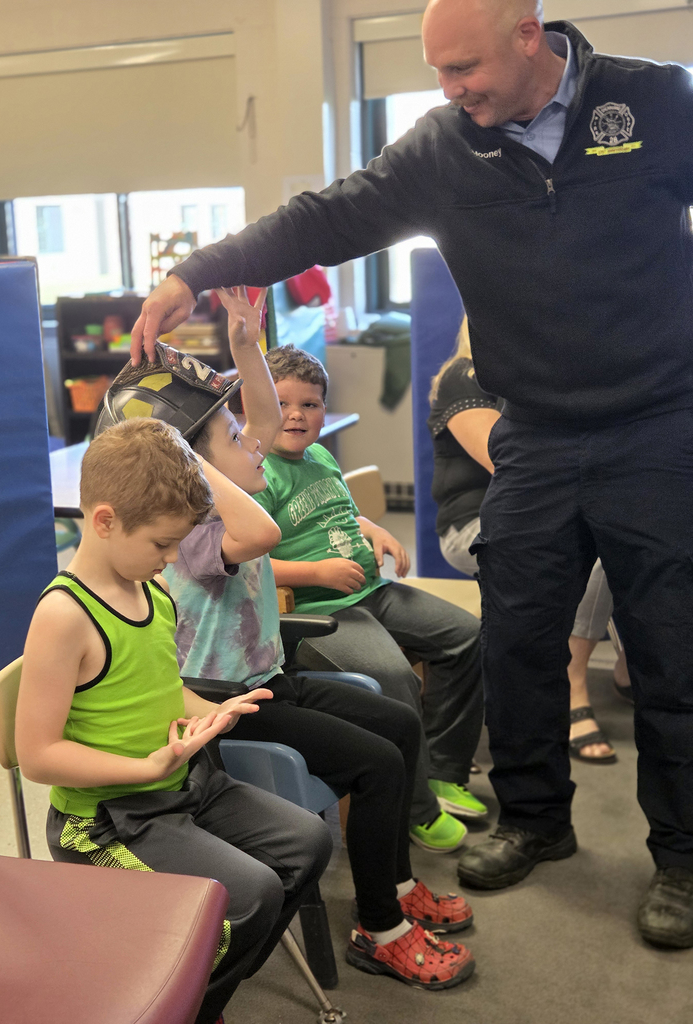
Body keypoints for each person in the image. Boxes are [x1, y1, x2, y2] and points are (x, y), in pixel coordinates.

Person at [130, 0, 693, 949]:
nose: (452, 89)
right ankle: (533, 820)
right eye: (438, 72)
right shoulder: (443, 148)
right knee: (514, 636)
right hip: (537, 433)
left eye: (464, 68)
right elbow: (327, 216)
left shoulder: (653, 101)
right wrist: (200, 269)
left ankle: (681, 855)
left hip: (656, 426)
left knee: (673, 646)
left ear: (530, 36)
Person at [160, 285, 476, 990]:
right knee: (378, 764)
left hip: (268, 677)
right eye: (238, 440)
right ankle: (380, 926)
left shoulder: (236, 476)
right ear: (203, 467)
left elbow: (263, 417)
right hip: (223, 701)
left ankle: (394, 889)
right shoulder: (199, 529)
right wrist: (185, 443)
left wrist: (245, 340)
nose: (258, 441)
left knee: (397, 723)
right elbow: (266, 533)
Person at [15, 416, 334, 1024]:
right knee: (251, 897)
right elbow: (36, 754)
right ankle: (165, 1004)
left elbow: (162, 688)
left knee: (306, 844)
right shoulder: (63, 615)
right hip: (108, 821)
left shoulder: (150, 588)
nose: (170, 560)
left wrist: (210, 712)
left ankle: (190, 999)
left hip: (181, 786)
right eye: (162, 545)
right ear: (105, 521)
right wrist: (144, 764)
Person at [255, 342, 486, 848]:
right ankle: (417, 808)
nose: (296, 415)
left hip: (372, 592)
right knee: (393, 679)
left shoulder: (318, 455)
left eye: (310, 404)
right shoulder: (254, 475)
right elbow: (244, 565)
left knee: (467, 637)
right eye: (281, 404)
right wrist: (316, 571)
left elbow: (335, 513)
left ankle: (443, 773)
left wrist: (372, 527)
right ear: (256, 406)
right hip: (322, 613)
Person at [429, 317, 630, 764]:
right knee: (596, 555)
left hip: (542, 513)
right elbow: (510, 468)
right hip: (474, 525)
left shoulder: (542, 383)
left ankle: (626, 667)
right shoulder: (464, 376)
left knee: (629, 539)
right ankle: (574, 680)